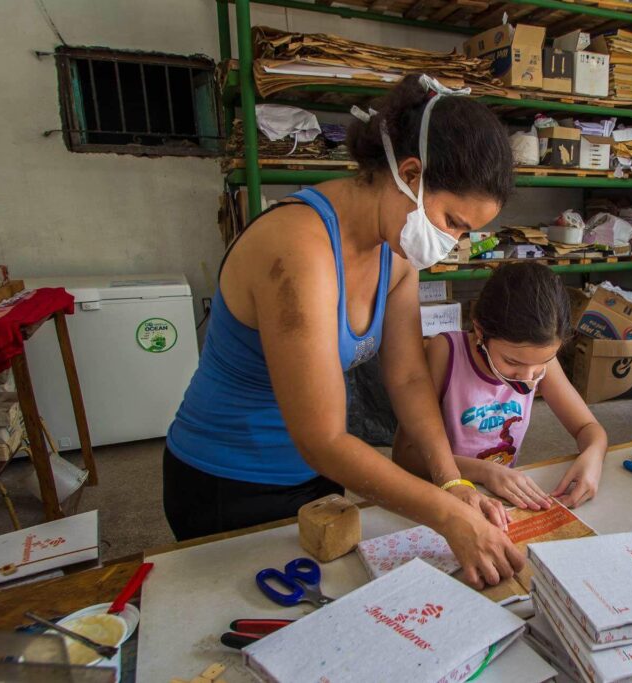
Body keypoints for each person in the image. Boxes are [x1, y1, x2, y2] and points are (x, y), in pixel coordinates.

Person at [163, 75, 523, 588]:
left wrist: (451, 481)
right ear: (410, 173)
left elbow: (408, 381)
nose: (453, 241)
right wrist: (446, 516)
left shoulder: (396, 250)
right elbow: (324, 437)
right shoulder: (297, 248)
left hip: (321, 478)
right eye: (453, 221)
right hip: (229, 480)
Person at [394, 262, 607, 510]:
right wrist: (485, 472)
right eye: (511, 361)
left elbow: (588, 428)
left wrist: (593, 454)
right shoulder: (446, 353)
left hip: (498, 497)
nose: (528, 377)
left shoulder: (539, 360)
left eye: (542, 363)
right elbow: (405, 454)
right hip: (442, 495)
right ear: (480, 330)